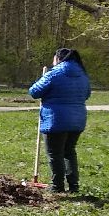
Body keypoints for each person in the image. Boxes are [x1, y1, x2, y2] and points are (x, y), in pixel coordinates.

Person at [28, 47, 92, 193]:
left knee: (54, 153)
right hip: (77, 119)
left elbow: (34, 92)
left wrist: (42, 79)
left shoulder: (53, 74)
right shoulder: (82, 74)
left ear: (58, 59)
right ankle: (74, 185)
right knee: (69, 151)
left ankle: (57, 185)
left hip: (55, 119)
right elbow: (87, 94)